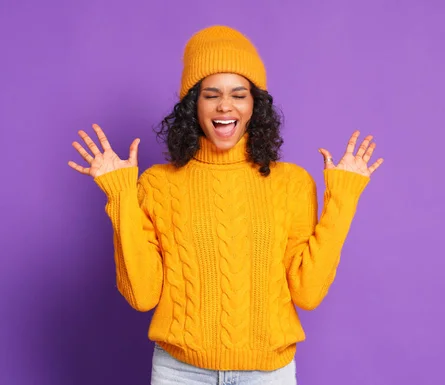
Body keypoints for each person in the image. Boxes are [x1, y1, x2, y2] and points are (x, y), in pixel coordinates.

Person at [68, 25, 383, 385]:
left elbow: (308, 293)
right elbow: (142, 296)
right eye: (211, 94)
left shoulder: (292, 183)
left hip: (268, 375)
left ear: (255, 105)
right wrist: (120, 195)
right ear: (193, 105)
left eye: (239, 94)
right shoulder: (157, 183)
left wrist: (342, 200)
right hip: (179, 373)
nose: (225, 105)